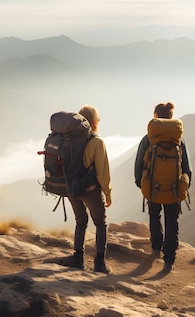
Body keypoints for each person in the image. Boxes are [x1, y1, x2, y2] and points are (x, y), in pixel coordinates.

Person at [134, 101, 192, 272]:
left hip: (152, 186)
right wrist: (186, 184)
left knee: (154, 215)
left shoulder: (148, 139)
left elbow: (138, 164)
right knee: (172, 219)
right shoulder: (178, 140)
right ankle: (169, 257)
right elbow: (187, 167)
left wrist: (140, 182)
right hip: (174, 187)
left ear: (156, 117)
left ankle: (156, 246)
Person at [68, 105, 112, 273]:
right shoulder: (97, 142)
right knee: (100, 223)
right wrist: (107, 193)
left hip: (71, 189)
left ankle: (78, 258)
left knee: (81, 221)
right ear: (94, 122)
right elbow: (103, 172)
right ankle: (99, 263)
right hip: (90, 190)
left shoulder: (69, 139)